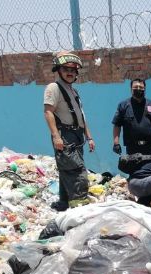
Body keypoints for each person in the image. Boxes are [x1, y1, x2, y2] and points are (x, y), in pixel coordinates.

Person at [43, 51, 94, 211]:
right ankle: (80, 206)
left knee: (67, 169)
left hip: (76, 135)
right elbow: (48, 112)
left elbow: (82, 116)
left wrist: (89, 137)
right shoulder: (54, 88)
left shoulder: (73, 91)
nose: (70, 73)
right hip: (64, 135)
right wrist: (56, 136)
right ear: (58, 70)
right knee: (77, 171)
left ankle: (64, 203)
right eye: (66, 69)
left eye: (73, 70)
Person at [111, 78, 151, 157]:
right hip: (132, 148)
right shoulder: (123, 106)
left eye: (141, 87)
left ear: (145, 89)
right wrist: (116, 143)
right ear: (131, 89)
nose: (138, 89)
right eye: (135, 87)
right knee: (134, 169)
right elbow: (117, 125)